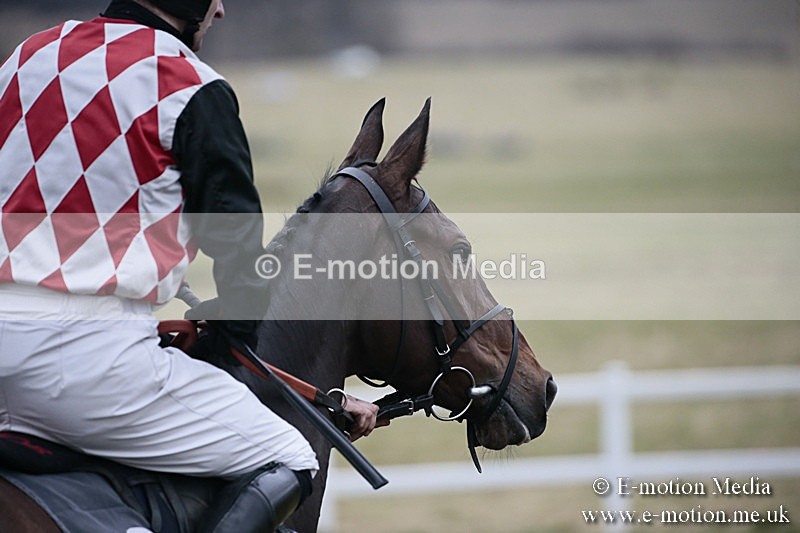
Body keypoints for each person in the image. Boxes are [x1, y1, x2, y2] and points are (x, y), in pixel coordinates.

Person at [0, 0, 380, 530]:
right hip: (85, 363)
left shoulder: (26, 56)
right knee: (290, 456)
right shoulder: (192, 85)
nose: (219, 10)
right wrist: (227, 335)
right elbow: (239, 252)